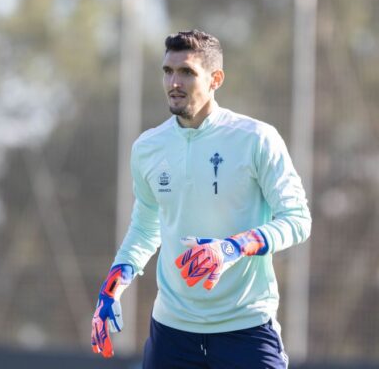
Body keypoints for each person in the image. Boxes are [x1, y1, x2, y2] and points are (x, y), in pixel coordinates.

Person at [91, 29, 311, 369]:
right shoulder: (148, 148)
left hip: (246, 329)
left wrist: (232, 248)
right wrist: (113, 284)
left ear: (216, 79)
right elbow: (146, 225)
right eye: (168, 71)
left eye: (187, 72)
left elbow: (297, 219)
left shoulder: (257, 139)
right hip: (172, 333)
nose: (174, 82)